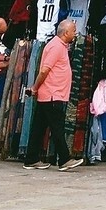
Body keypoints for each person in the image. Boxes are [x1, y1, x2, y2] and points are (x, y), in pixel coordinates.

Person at [23, 19, 82, 172]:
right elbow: (44, 70)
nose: (75, 34)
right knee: (57, 127)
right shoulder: (56, 46)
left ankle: (31, 158)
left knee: (38, 127)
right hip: (52, 94)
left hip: (51, 93)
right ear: (66, 32)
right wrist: (35, 88)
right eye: (73, 31)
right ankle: (64, 159)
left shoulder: (60, 46)